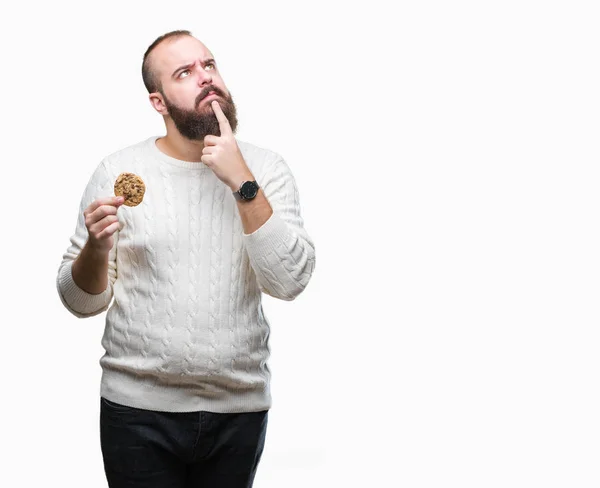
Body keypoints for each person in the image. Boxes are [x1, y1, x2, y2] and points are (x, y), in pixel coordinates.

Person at [56, 29, 315, 488]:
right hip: (136, 412)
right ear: (158, 102)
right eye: (185, 72)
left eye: (209, 65)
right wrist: (96, 249)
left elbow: (290, 281)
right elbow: (80, 302)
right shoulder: (117, 171)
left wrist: (242, 183)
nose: (205, 78)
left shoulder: (266, 169)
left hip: (239, 409)